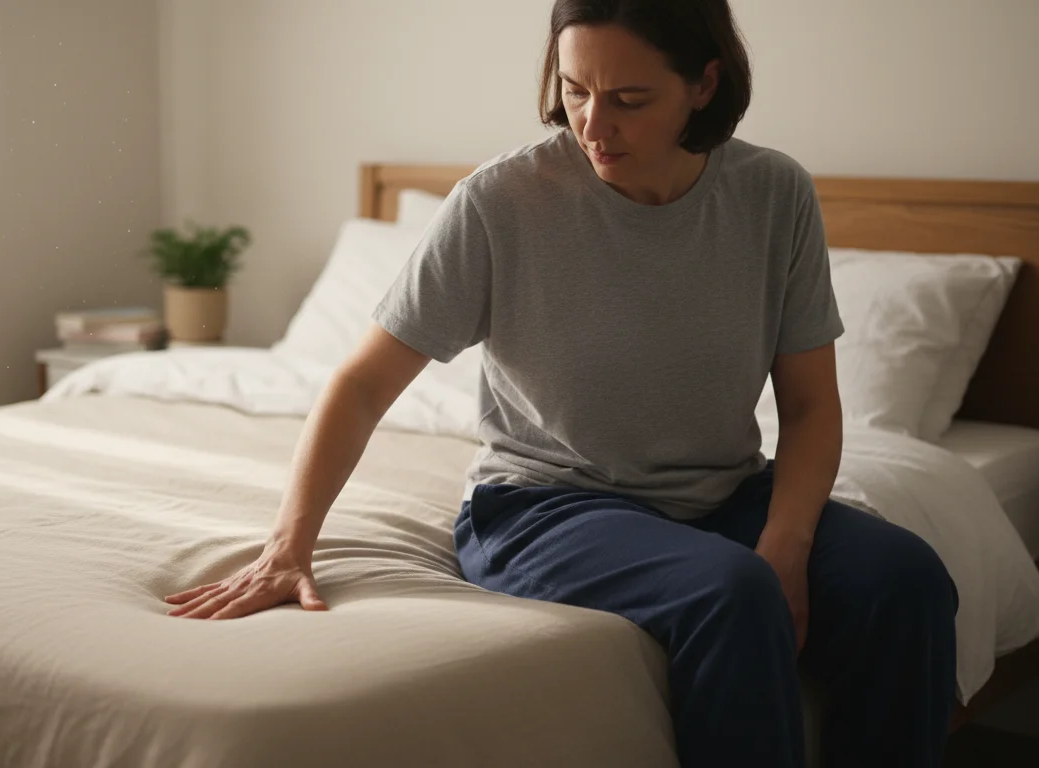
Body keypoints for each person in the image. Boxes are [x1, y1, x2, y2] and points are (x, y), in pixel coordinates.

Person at [163, 0, 959, 765]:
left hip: (724, 493)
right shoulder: (500, 202)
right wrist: (287, 547)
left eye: (629, 99)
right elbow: (364, 382)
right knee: (734, 592)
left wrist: (788, 543)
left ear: (705, 85)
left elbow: (813, 405)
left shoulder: (773, 194)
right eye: (574, 91)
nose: (592, 125)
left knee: (907, 580)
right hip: (543, 507)